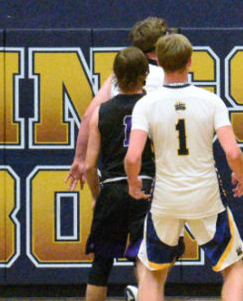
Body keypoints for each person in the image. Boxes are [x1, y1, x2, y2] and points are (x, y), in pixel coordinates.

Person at [124, 33, 243, 301]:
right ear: (190, 61)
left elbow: (132, 157)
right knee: (233, 268)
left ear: (158, 62)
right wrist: (240, 175)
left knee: (153, 272)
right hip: (206, 196)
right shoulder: (211, 100)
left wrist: (133, 182)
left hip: (166, 198)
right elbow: (232, 151)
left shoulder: (145, 104)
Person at [82, 47, 155, 301]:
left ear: (115, 76)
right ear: (145, 74)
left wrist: (97, 196)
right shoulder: (152, 107)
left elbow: (89, 166)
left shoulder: (100, 112)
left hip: (112, 189)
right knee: (145, 260)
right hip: (144, 187)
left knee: (101, 263)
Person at [65, 16, 169, 192]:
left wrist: (79, 158)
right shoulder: (166, 76)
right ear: (160, 47)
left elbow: (88, 116)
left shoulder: (119, 76)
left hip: (115, 172)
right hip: (150, 173)